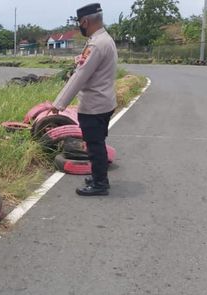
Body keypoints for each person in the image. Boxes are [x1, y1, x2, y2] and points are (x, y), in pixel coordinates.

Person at [51, 3, 118, 196]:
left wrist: (59, 104)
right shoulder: (105, 39)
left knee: (94, 145)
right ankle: (98, 176)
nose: (80, 26)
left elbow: (79, 77)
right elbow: (92, 66)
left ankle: (100, 184)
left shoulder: (96, 44)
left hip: (94, 105)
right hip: (106, 101)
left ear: (86, 21)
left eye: (80, 23)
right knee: (98, 142)